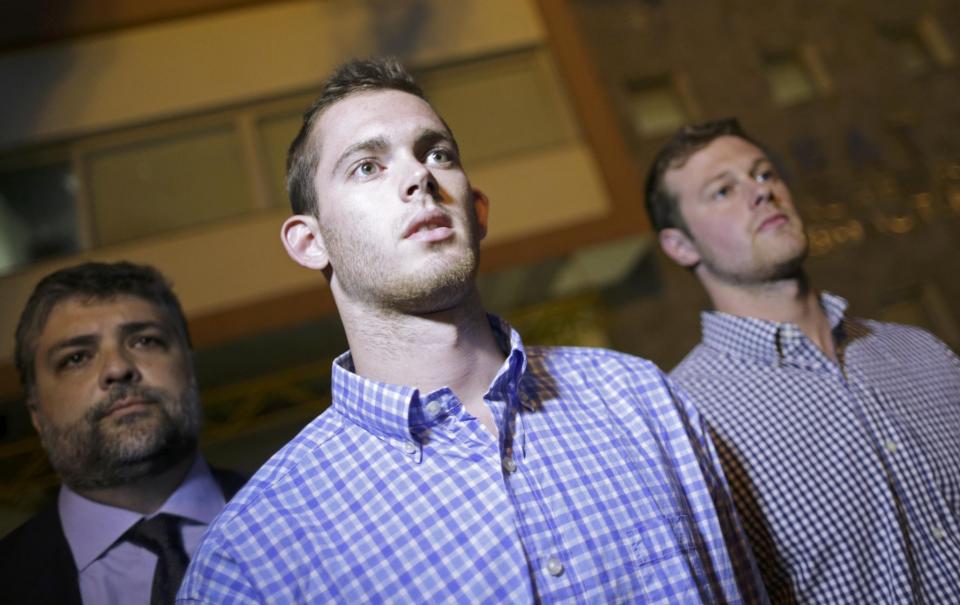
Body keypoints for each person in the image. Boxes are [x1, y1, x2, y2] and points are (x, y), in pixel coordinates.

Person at [178, 58, 767, 603]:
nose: (418, 177)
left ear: (476, 211)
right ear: (311, 242)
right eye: (367, 166)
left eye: (436, 154)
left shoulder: (642, 400)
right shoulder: (253, 555)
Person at [645, 117, 960, 603]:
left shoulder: (919, 350)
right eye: (723, 191)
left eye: (764, 174)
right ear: (681, 246)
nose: (760, 192)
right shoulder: (685, 424)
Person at [0, 261, 246, 605]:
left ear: (190, 370)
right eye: (76, 358)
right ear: (37, 415)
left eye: (145, 340)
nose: (118, 368)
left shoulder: (308, 520)